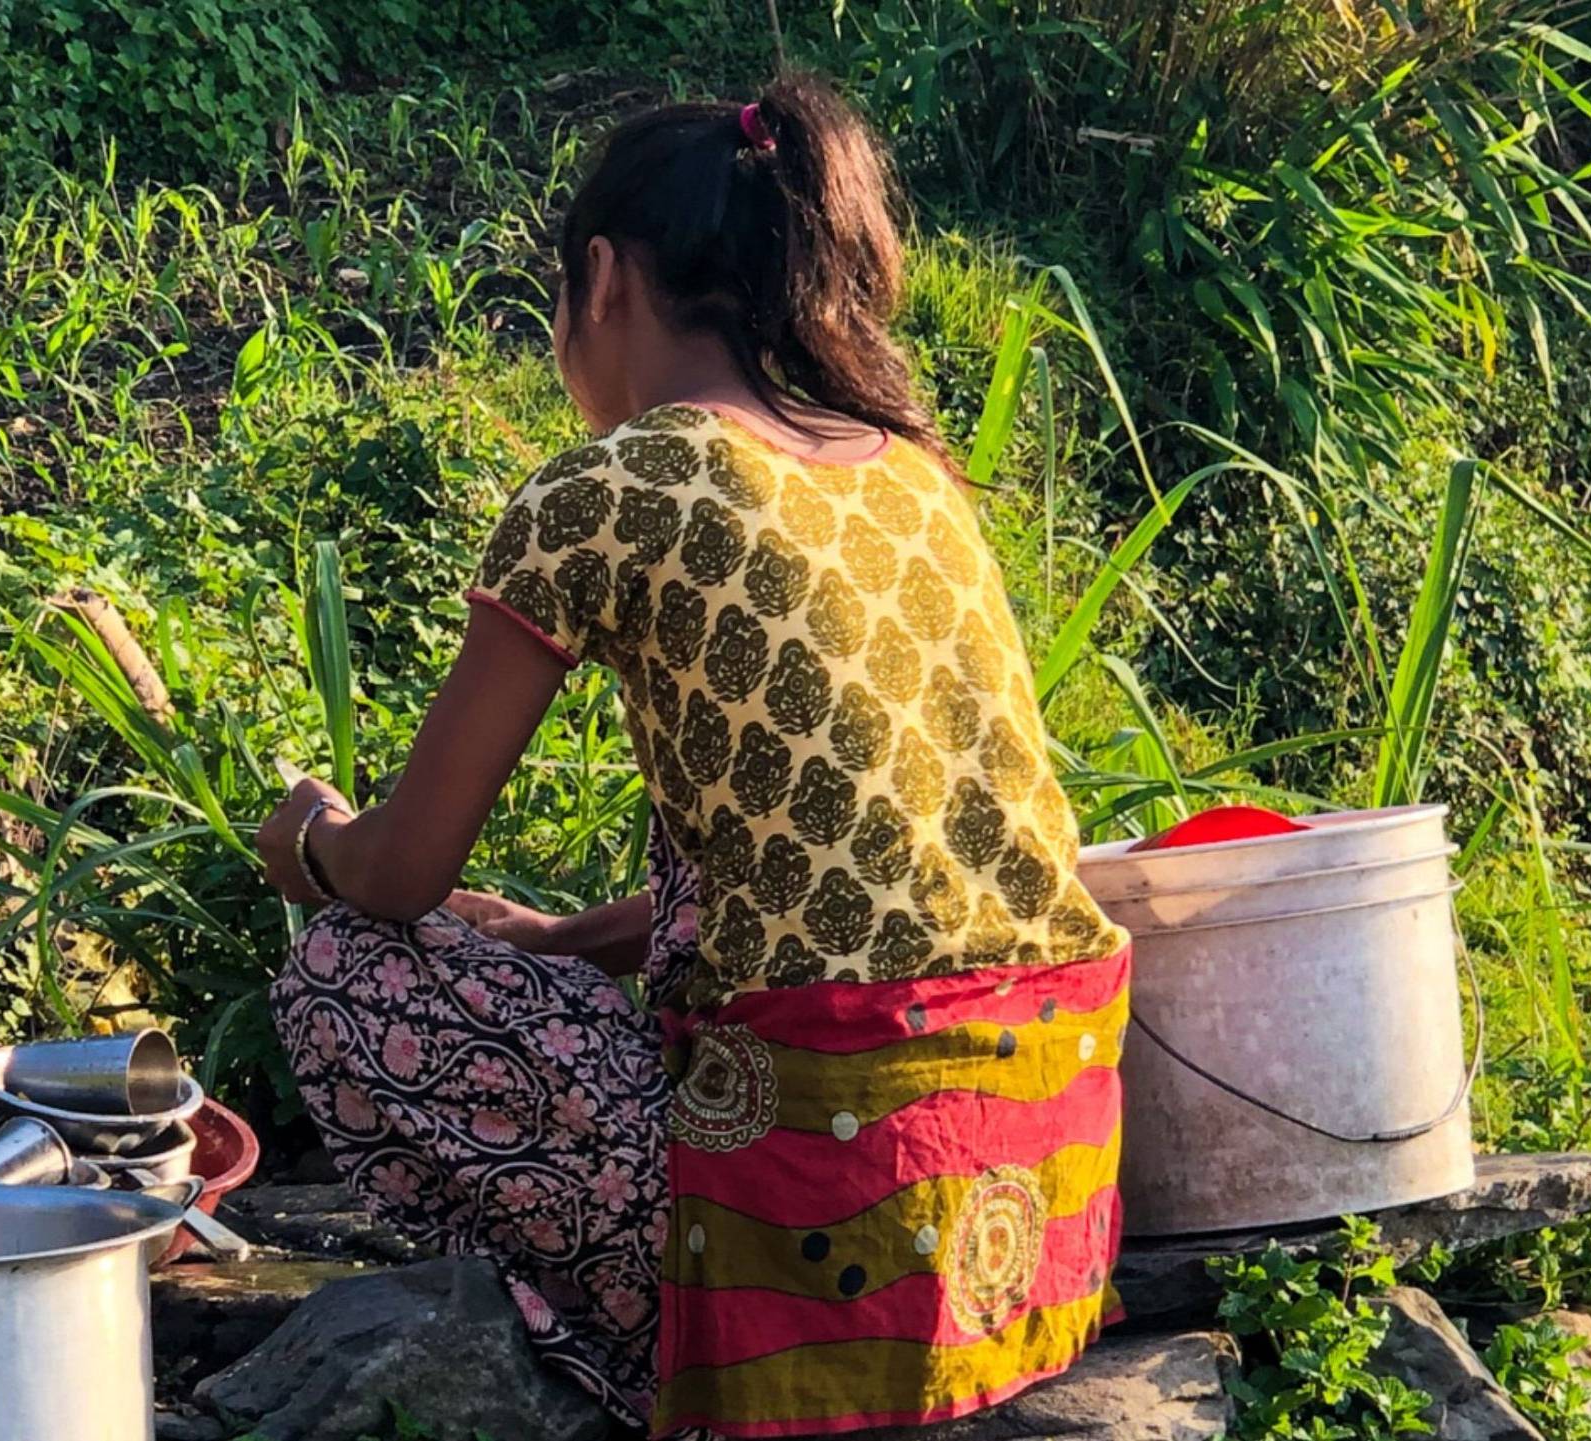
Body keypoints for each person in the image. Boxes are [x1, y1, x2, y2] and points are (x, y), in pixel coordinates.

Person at [254, 72, 1131, 1439]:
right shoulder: (906, 471)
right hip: (1028, 1187)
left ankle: (656, 1353)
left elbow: (401, 875)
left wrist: (306, 837)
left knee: (340, 975)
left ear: (598, 279)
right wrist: (555, 939)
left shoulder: (615, 489)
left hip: (824, 1199)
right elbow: (835, 871)